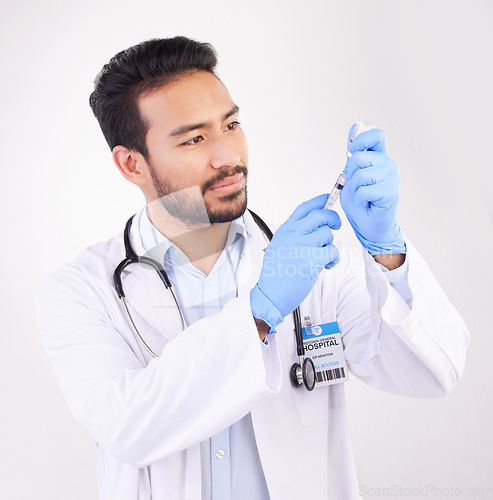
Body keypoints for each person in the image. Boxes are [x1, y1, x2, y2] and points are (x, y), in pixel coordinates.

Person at [36, 36, 470, 500]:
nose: (228, 157)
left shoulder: (313, 261)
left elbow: (431, 373)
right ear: (131, 164)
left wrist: (387, 249)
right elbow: (128, 429)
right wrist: (260, 311)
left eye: (232, 124)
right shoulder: (81, 290)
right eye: (195, 138)